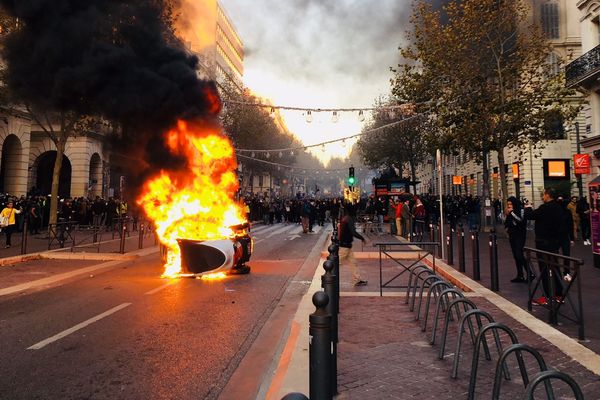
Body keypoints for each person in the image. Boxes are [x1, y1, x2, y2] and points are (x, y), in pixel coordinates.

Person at [524, 188, 565, 305]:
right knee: (555, 268)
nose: (543, 197)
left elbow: (530, 216)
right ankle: (558, 294)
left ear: (547, 195)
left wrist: (528, 208)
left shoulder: (544, 208)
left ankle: (546, 296)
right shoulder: (558, 208)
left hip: (543, 243)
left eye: (544, 195)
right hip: (554, 243)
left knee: (544, 270)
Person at [338, 203, 368, 286]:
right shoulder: (348, 219)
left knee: (353, 263)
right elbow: (353, 232)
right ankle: (328, 277)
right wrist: (362, 238)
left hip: (347, 245)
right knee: (336, 264)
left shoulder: (346, 218)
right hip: (345, 246)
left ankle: (357, 279)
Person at [504, 196, 530, 283]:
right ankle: (520, 275)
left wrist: (511, 213)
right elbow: (507, 222)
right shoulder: (510, 212)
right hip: (512, 235)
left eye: (511, 204)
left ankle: (530, 273)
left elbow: (520, 220)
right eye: (508, 204)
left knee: (519, 255)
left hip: (520, 235)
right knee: (516, 255)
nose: (509, 206)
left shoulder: (521, 210)